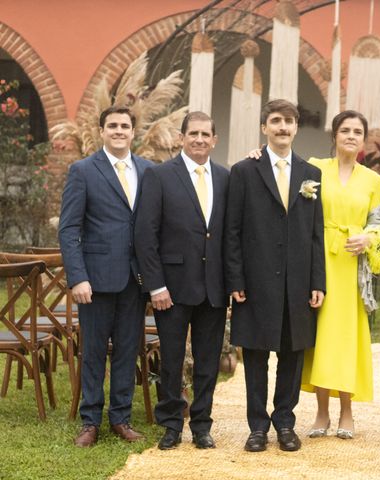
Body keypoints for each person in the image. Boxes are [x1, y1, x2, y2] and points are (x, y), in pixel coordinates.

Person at [224, 99, 326, 453]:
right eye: (276, 121)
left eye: (289, 122)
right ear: (264, 127)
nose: (283, 127)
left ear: (296, 128)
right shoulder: (244, 171)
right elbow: (232, 231)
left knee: (292, 355)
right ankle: (256, 426)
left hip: (297, 284)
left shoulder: (311, 174)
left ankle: (285, 421)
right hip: (255, 282)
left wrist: (317, 282)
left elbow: (316, 233)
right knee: (254, 355)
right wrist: (235, 279)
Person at [59, 106, 153, 447]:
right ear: (101, 131)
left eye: (124, 126)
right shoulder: (83, 171)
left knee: (128, 351)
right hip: (95, 280)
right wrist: (77, 277)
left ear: (133, 132)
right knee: (94, 351)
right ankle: (90, 422)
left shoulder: (148, 170)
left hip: (135, 279)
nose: (118, 130)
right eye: (112, 125)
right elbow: (69, 229)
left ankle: (121, 419)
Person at [134, 111, 229, 450]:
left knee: (208, 361)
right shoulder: (159, 176)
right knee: (171, 361)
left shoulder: (225, 177)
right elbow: (146, 234)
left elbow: (228, 235)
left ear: (214, 140)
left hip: (214, 287)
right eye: (193, 133)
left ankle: (202, 425)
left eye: (206, 134)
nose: (199, 139)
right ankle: (171, 424)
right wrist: (155, 285)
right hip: (171, 287)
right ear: (182, 137)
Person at [301, 110, 380, 440]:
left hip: (352, 266)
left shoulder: (372, 179)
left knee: (347, 339)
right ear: (334, 135)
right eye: (345, 130)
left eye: (357, 131)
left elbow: (379, 224)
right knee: (322, 337)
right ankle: (321, 412)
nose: (351, 136)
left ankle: (347, 411)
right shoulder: (313, 168)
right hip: (319, 260)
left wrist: (368, 238)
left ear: (363, 140)